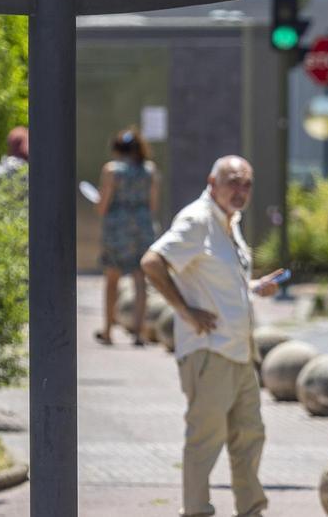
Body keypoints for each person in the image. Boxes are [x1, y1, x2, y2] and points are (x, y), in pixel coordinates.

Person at [141, 155, 286, 517]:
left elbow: (217, 280)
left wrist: (254, 287)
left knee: (250, 436)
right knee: (205, 440)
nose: (241, 190)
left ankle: (251, 510)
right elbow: (152, 262)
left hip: (239, 351)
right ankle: (196, 511)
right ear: (212, 182)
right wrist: (184, 310)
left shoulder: (229, 221)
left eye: (247, 184)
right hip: (209, 350)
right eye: (233, 181)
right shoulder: (197, 220)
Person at [95, 127, 160, 346]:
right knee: (140, 279)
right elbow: (153, 204)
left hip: (117, 229)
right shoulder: (149, 170)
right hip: (143, 227)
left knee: (112, 278)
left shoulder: (112, 170)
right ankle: (138, 333)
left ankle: (107, 331)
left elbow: (103, 206)